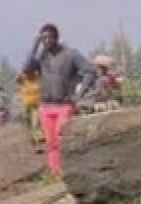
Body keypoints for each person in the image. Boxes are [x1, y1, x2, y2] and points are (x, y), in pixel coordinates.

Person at [25, 23, 95, 177]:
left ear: (56, 38)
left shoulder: (70, 54)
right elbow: (26, 69)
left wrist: (79, 93)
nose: (46, 41)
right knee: (50, 142)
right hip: (45, 106)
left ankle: (68, 170)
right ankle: (55, 172)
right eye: (43, 38)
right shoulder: (41, 57)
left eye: (49, 37)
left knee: (61, 137)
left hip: (64, 104)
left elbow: (90, 71)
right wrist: (34, 47)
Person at [17, 65, 43, 148]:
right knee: (28, 125)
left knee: (35, 124)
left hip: (36, 105)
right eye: (27, 71)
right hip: (25, 106)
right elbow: (17, 79)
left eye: (31, 70)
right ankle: (32, 140)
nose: (29, 72)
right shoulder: (23, 79)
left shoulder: (38, 79)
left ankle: (38, 144)